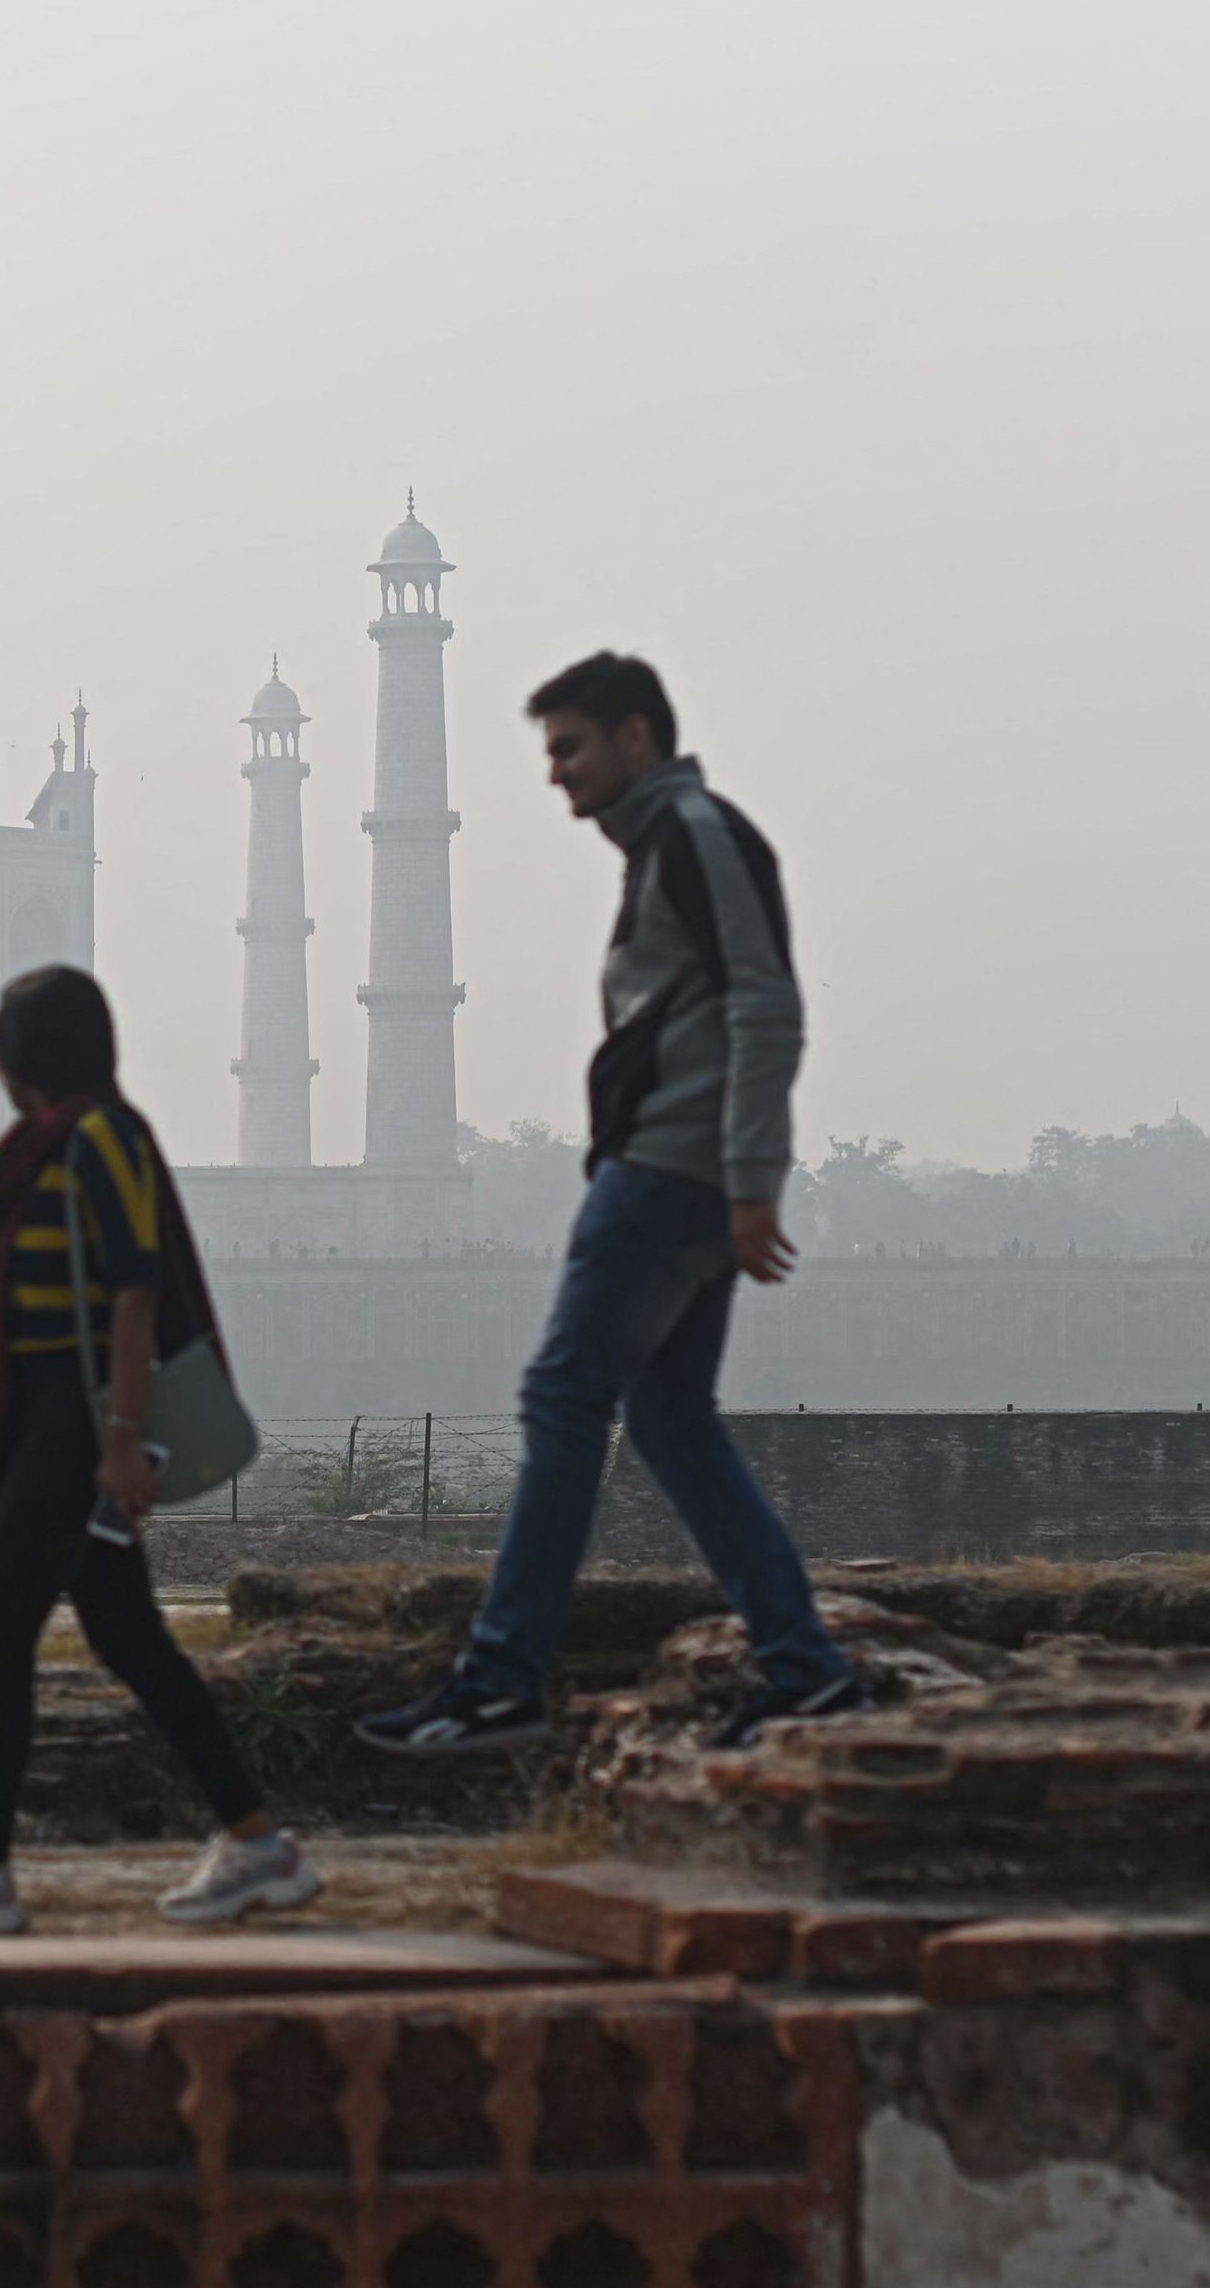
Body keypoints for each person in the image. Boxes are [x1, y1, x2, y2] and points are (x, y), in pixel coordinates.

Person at [361, 652, 865, 1758]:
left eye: (569, 747)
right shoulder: (661, 847)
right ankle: (805, 1664)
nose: (555, 775)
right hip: (674, 1168)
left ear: (635, 735)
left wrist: (750, 1176)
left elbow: (765, 1004)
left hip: (668, 1172)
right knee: (671, 1421)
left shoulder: (696, 833)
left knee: (562, 1396)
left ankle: (500, 1678)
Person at [0, 965, 318, 1937]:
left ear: (27, 1054)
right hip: (47, 1416)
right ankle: (256, 1842)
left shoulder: (105, 1136)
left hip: (80, 1422)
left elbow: (136, 1289)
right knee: (125, 1633)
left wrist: (121, 1439)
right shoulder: (50, 1149)